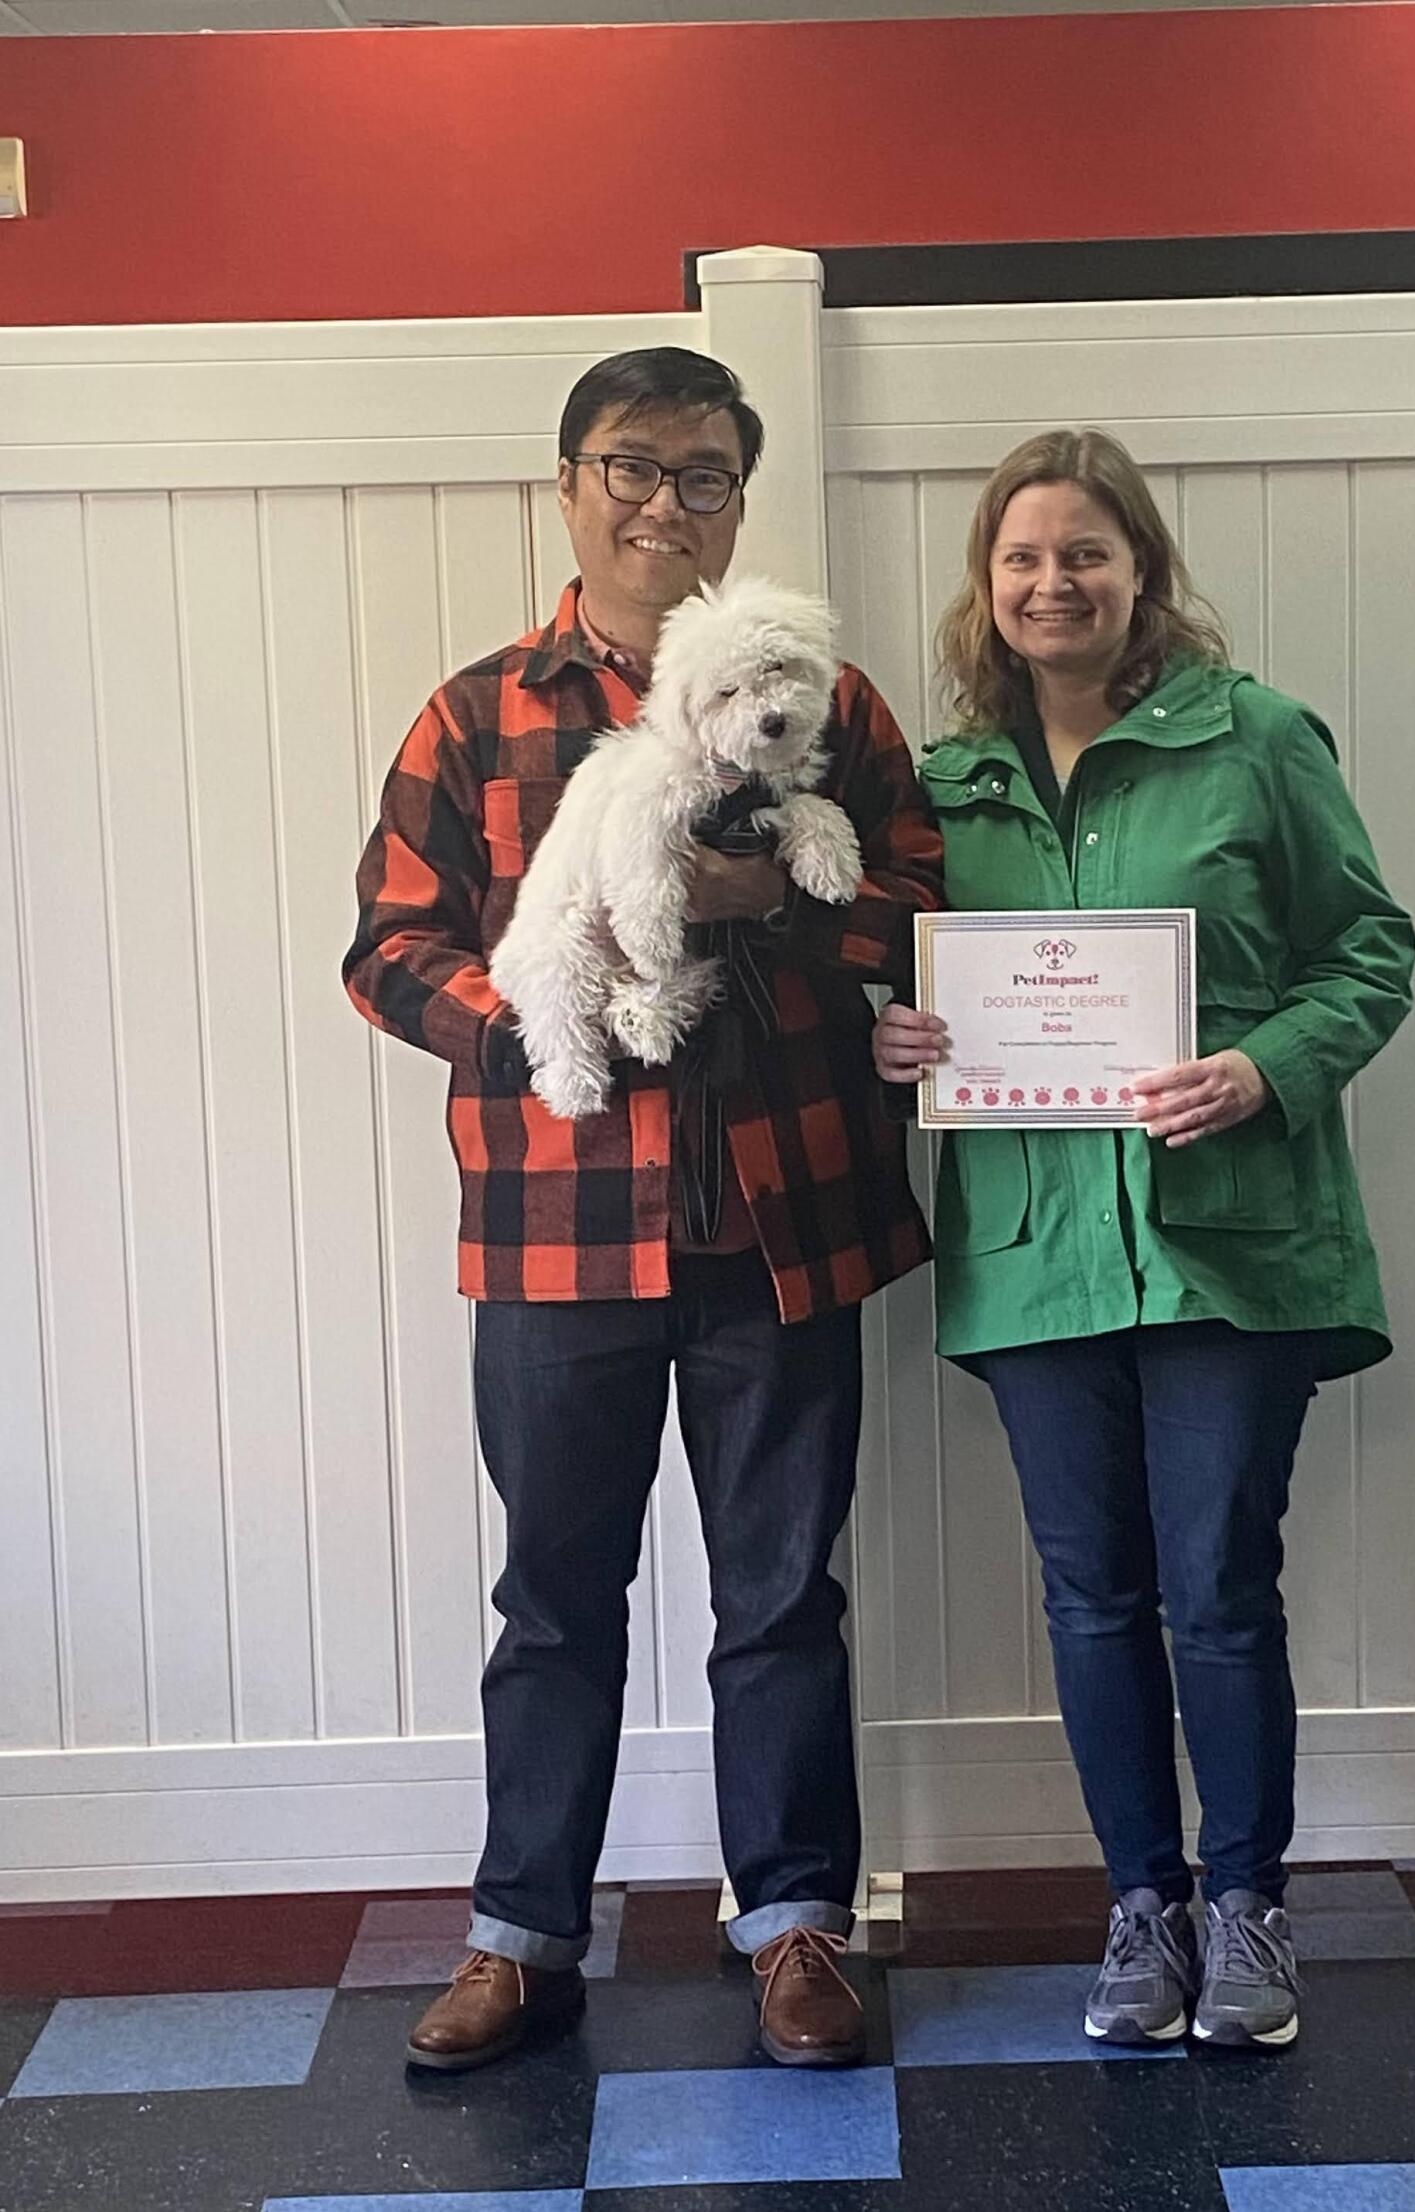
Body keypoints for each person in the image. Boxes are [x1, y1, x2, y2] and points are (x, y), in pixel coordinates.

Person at [344, 346, 940, 2074]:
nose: (663, 503)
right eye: (632, 467)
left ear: (740, 502)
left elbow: (911, 894)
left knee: (781, 1597)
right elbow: (387, 949)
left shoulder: (821, 695)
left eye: (701, 476)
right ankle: (520, 1938)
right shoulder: (475, 714)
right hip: (554, 1233)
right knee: (553, 1598)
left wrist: (766, 904)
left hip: (788, 1225)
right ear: (570, 486)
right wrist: (548, 1025)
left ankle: (796, 1928)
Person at [875, 428, 1415, 2049]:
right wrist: (889, 1029)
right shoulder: (937, 786)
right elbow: (883, 974)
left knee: (1219, 1589)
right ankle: (1141, 1913)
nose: (1055, 582)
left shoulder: (1255, 742)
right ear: (989, 588)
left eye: (1086, 553)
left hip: (1229, 1248)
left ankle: (1248, 1912)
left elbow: (1371, 952)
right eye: (1024, 557)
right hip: (1034, 1248)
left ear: (1143, 572)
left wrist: (1264, 1066)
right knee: (1090, 1597)